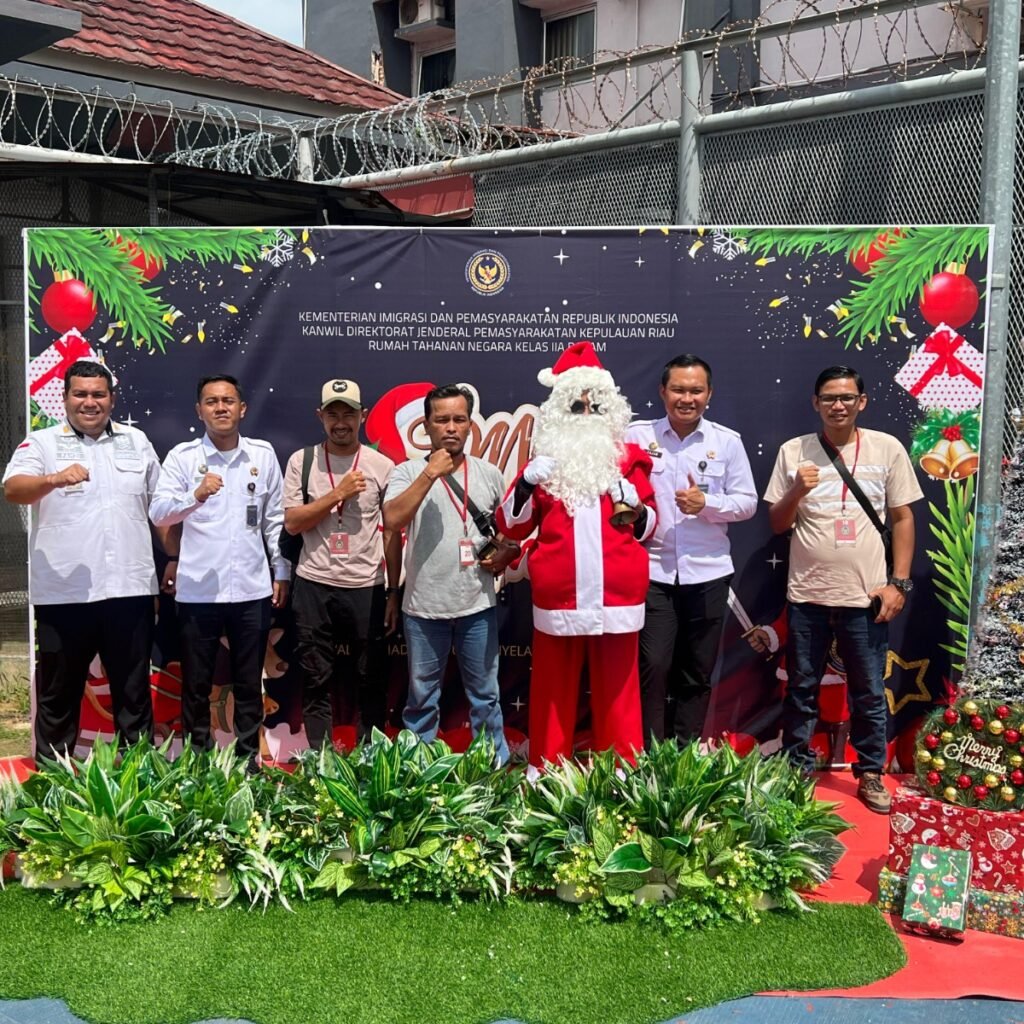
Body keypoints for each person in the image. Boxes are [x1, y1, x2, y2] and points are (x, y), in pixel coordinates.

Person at [764, 365, 922, 813]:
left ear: (861, 402)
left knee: (869, 692)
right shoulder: (794, 450)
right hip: (807, 596)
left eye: (847, 397)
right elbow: (777, 523)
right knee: (801, 690)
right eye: (829, 398)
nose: (838, 405)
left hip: (866, 598)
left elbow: (903, 518)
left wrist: (898, 583)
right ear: (815, 403)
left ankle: (870, 773)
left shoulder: (886, 448)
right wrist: (796, 490)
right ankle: (795, 773)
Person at [497, 342, 656, 767]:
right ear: (559, 412)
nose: (586, 415)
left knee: (619, 692)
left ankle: (623, 771)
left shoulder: (630, 461)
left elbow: (650, 528)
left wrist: (637, 507)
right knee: (552, 690)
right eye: (576, 407)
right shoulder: (543, 465)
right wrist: (526, 485)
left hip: (616, 594)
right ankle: (547, 770)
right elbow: (511, 526)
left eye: (595, 407)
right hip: (559, 596)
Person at [2, 359, 163, 758]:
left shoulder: (137, 441)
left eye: (98, 394)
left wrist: (174, 557)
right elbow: (14, 489)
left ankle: (139, 780)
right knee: (59, 695)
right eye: (80, 394)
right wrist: (52, 479)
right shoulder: (42, 443)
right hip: (65, 595)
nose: (90, 402)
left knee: (134, 694)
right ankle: (53, 784)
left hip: (129, 589)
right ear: (65, 398)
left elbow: (161, 507)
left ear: (112, 399)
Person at [150, 374, 290, 768]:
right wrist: (195, 495)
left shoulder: (262, 455)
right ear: (199, 411)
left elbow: (274, 519)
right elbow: (159, 513)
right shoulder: (183, 458)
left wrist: (281, 571)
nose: (221, 408)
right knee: (197, 684)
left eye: (228, 401)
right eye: (211, 402)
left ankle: (248, 763)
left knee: (248, 683)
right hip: (198, 592)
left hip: (251, 588)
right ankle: (198, 762)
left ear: (242, 409)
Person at [625, 354, 757, 745]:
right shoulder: (636, 437)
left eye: (696, 391)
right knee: (652, 665)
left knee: (697, 670)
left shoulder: (726, 442)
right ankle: (649, 756)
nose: (687, 398)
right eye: (678, 390)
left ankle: (684, 756)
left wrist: (708, 504)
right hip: (653, 572)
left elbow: (747, 503)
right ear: (662, 391)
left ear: (709, 394)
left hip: (708, 572)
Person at [382, 383, 516, 764]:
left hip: (477, 606)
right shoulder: (408, 471)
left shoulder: (489, 474)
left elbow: (510, 533)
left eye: (459, 419)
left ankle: (492, 770)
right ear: (426, 425)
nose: (451, 428)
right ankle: (418, 771)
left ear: (471, 424)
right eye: (442, 420)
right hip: (423, 608)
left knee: (485, 696)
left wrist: (506, 554)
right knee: (422, 698)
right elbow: (392, 519)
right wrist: (430, 474)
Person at [282, 379, 401, 749]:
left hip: (366, 585)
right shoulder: (302, 462)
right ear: (320, 416)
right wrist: (338, 494)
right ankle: (320, 757)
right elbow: (292, 523)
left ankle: (369, 758)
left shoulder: (382, 466)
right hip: (313, 583)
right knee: (315, 676)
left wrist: (393, 591)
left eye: (348, 414)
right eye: (332, 414)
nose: (340, 422)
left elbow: (392, 531)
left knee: (371, 676)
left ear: (362, 416)